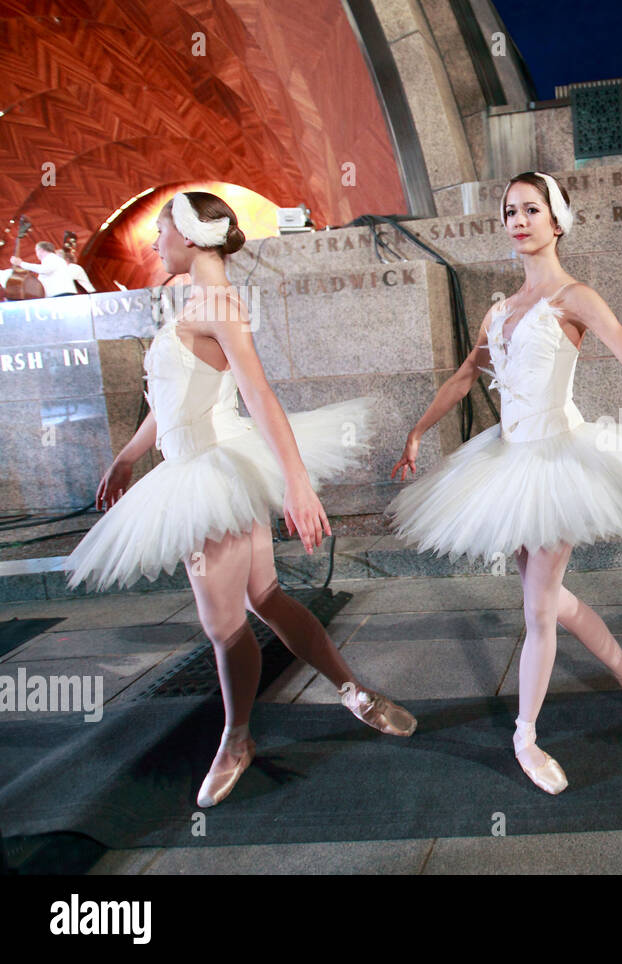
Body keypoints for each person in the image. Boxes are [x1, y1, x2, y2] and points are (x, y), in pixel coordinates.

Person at [386, 171, 622, 795]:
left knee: (538, 608)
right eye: (509, 211)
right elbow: (466, 376)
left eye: (530, 209)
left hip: (558, 463)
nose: (518, 220)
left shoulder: (577, 297)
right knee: (551, 599)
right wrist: (418, 431)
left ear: (557, 220)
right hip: (506, 461)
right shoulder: (500, 309)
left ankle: (525, 735)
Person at [62, 191, 417, 808]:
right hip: (206, 465)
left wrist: (297, 483)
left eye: (161, 230)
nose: (154, 242)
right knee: (264, 597)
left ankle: (237, 738)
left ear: (194, 237)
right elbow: (173, 406)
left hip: (212, 472)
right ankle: (353, 693)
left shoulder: (218, 303)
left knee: (225, 626)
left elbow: (258, 392)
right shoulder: (195, 301)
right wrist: (127, 454)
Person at [10, 242, 96, 296]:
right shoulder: (51, 260)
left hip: (62, 294)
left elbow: (44, 270)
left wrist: (21, 263)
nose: (37, 254)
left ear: (40, 250)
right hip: (57, 295)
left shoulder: (53, 259)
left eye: (36, 251)